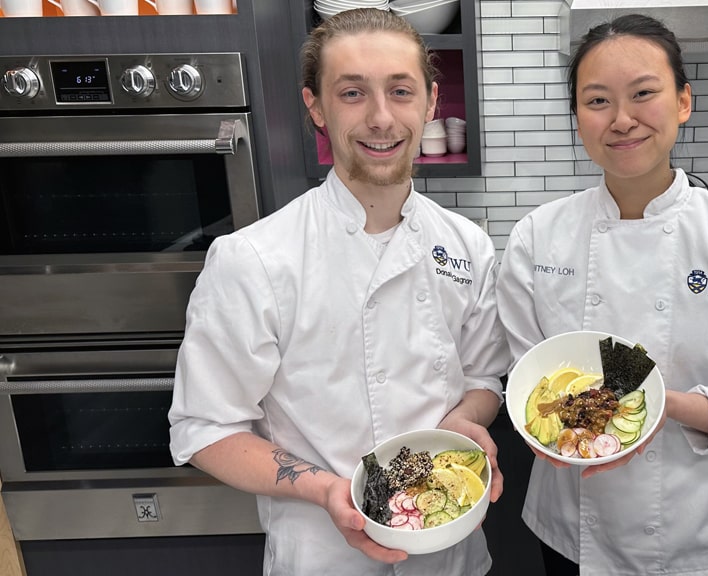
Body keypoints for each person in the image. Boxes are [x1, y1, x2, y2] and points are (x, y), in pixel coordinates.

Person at [168, 8, 509, 575]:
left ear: (429, 103)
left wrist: (462, 424)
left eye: (400, 91)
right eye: (352, 93)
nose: (381, 118)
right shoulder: (253, 258)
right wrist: (328, 489)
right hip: (322, 555)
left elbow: (482, 379)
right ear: (316, 107)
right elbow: (204, 428)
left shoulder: (467, 245)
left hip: (450, 550)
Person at [496, 14, 708, 576]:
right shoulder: (536, 237)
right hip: (571, 529)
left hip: (695, 535)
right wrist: (547, 427)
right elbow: (528, 384)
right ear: (576, 117)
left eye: (644, 93)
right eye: (597, 101)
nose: (622, 120)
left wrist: (656, 406)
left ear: (684, 101)